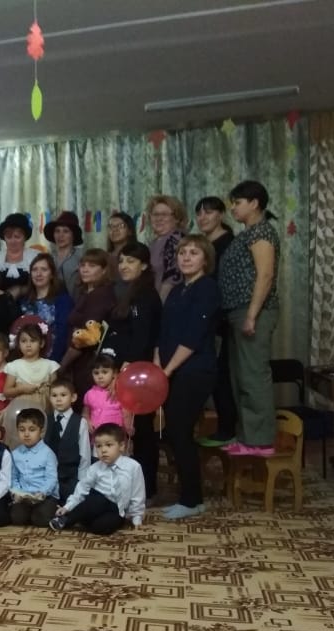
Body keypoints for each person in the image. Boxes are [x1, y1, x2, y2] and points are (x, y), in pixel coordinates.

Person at [155, 235, 221, 520]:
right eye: (182, 252)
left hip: (195, 370)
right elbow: (163, 332)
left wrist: (168, 370)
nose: (186, 257)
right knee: (173, 432)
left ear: (205, 260)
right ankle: (191, 495)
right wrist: (158, 366)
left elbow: (193, 336)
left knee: (180, 431)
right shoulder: (176, 290)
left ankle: (192, 499)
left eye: (194, 253)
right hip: (169, 370)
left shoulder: (207, 288)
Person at [219, 180, 280, 457]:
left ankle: (261, 441)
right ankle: (246, 437)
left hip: (252, 310)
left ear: (254, 203)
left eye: (238, 202)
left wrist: (252, 315)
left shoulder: (261, 232)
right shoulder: (247, 233)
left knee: (253, 375)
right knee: (240, 376)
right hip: (237, 311)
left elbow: (265, 274)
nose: (233, 207)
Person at [101, 241, 161, 500]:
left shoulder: (146, 295)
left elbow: (142, 338)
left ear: (144, 265)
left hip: (138, 375)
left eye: (131, 261)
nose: (124, 266)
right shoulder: (128, 291)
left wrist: (125, 369)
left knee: (142, 431)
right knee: (127, 429)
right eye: (122, 261)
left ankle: (147, 488)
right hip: (123, 368)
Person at [194, 196, 237, 447]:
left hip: (221, 317)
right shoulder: (203, 244)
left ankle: (228, 428)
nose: (203, 218)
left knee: (222, 376)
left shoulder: (228, 244)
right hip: (206, 316)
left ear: (221, 214)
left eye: (208, 212)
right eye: (199, 213)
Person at [52, 422, 145, 534]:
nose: (103, 450)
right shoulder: (95, 468)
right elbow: (81, 489)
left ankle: (87, 520)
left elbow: (137, 494)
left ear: (121, 446)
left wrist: (137, 517)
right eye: (99, 446)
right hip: (96, 504)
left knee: (101, 527)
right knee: (98, 500)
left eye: (108, 445)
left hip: (117, 510)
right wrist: (67, 507)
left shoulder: (133, 467)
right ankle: (65, 520)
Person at [58, 249, 117, 405]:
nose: (85, 269)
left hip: (89, 363)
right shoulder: (86, 293)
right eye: (83, 265)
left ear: (104, 270)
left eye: (92, 265)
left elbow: (85, 338)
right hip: (80, 364)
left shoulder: (101, 295)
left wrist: (62, 366)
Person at [18, 253, 73, 362]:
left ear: (51, 274)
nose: (38, 274)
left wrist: (53, 363)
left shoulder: (63, 301)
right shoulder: (24, 302)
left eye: (44, 269)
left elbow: (63, 335)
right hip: (26, 362)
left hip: (53, 361)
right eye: (34, 270)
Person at [9, 407, 59, 527]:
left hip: (45, 496)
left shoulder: (48, 453)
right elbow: (14, 477)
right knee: (16, 518)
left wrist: (42, 493)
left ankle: (56, 511)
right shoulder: (15, 454)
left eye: (32, 430)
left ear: (41, 431)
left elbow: (51, 479)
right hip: (24, 496)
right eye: (22, 430)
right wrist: (17, 492)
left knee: (40, 519)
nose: (26, 434)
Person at [44, 379, 91, 502]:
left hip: (71, 479)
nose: (58, 399)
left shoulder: (80, 422)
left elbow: (85, 456)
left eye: (63, 395)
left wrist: (81, 484)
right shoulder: (45, 420)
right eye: (54, 395)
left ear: (73, 397)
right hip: (48, 479)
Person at [4, 323, 59, 414]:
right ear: (18, 344)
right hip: (22, 411)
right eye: (24, 341)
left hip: (45, 410)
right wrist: (21, 389)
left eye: (33, 341)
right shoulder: (14, 366)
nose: (28, 345)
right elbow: (7, 392)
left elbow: (56, 391)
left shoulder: (50, 366)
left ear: (41, 343)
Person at [147, 195, 188, 300]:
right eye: (155, 214)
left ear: (176, 218)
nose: (159, 218)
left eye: (164, 214)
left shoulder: (176, 239)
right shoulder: (153, 243)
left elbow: (171, 280)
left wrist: (159, 307)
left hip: (167, 301)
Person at [0, 212, 40, 296]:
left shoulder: (35, 257)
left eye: (17, 236)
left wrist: (21, 290)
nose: (13, 241)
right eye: (9, 237)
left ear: (25, 237)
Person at [43, 211, 85, 299]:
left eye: (66, 231)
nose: (60, 235)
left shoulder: (82, 256)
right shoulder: (48, 258)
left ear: (73, 235)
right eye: (57, 231)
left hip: (77, 303)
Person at [84, 354, 128, 432]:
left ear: (114, 373)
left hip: (115, 435)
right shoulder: (89, 393)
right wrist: (87, 420)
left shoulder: (119, 392)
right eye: (96, 373)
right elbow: (85, 412)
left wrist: (128, 428)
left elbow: (126, 414)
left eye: (104, 372)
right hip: (96, 435)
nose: (100, 376)